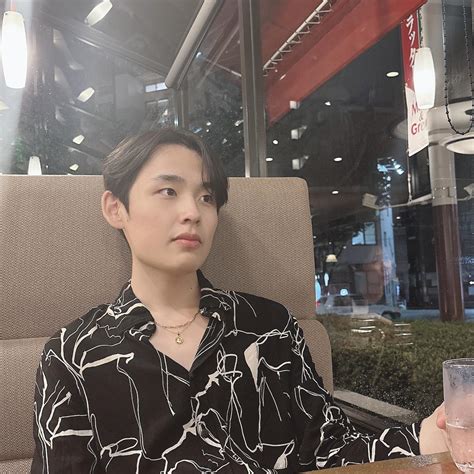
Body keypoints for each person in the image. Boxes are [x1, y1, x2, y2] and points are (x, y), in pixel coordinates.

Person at [31, 127, 448, 473]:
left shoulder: (270, 327)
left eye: (207, 197)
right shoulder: (73, 354)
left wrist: (430, 434)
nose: (193, 212)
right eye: (168, 191)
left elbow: (331, 449)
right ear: (115, 208)